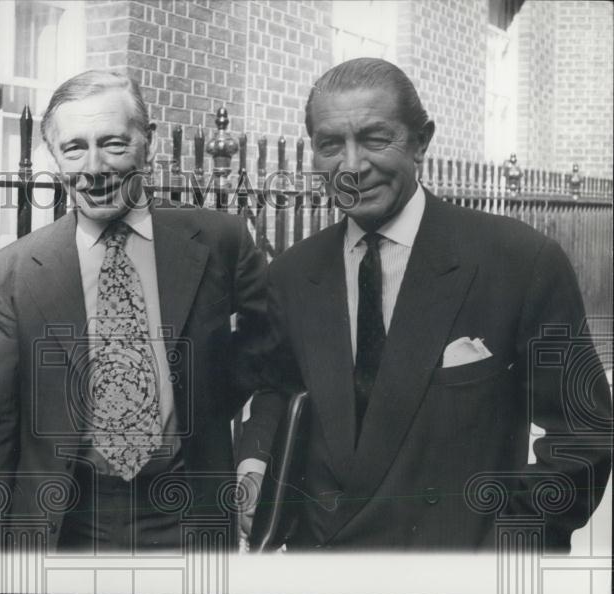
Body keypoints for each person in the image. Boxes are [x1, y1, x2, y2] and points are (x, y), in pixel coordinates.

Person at [238, 57, 612, 551]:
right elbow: (276, 389)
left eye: (375, 138)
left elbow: (583, 435)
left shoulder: (518, 260)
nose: (352, 166)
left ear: (422, 142)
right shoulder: (292, 273)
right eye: (331, 144)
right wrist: (255, 460)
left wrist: (506, 548)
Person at [0, 70, 271, 552]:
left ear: (146, 143)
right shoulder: (15, 271)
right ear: (55, 158)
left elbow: (273, 352)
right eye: (74, 149)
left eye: (112, 144)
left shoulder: (219, 242)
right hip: (64, 522)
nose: (94, 168)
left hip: (187, 512)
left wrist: (218, 409)